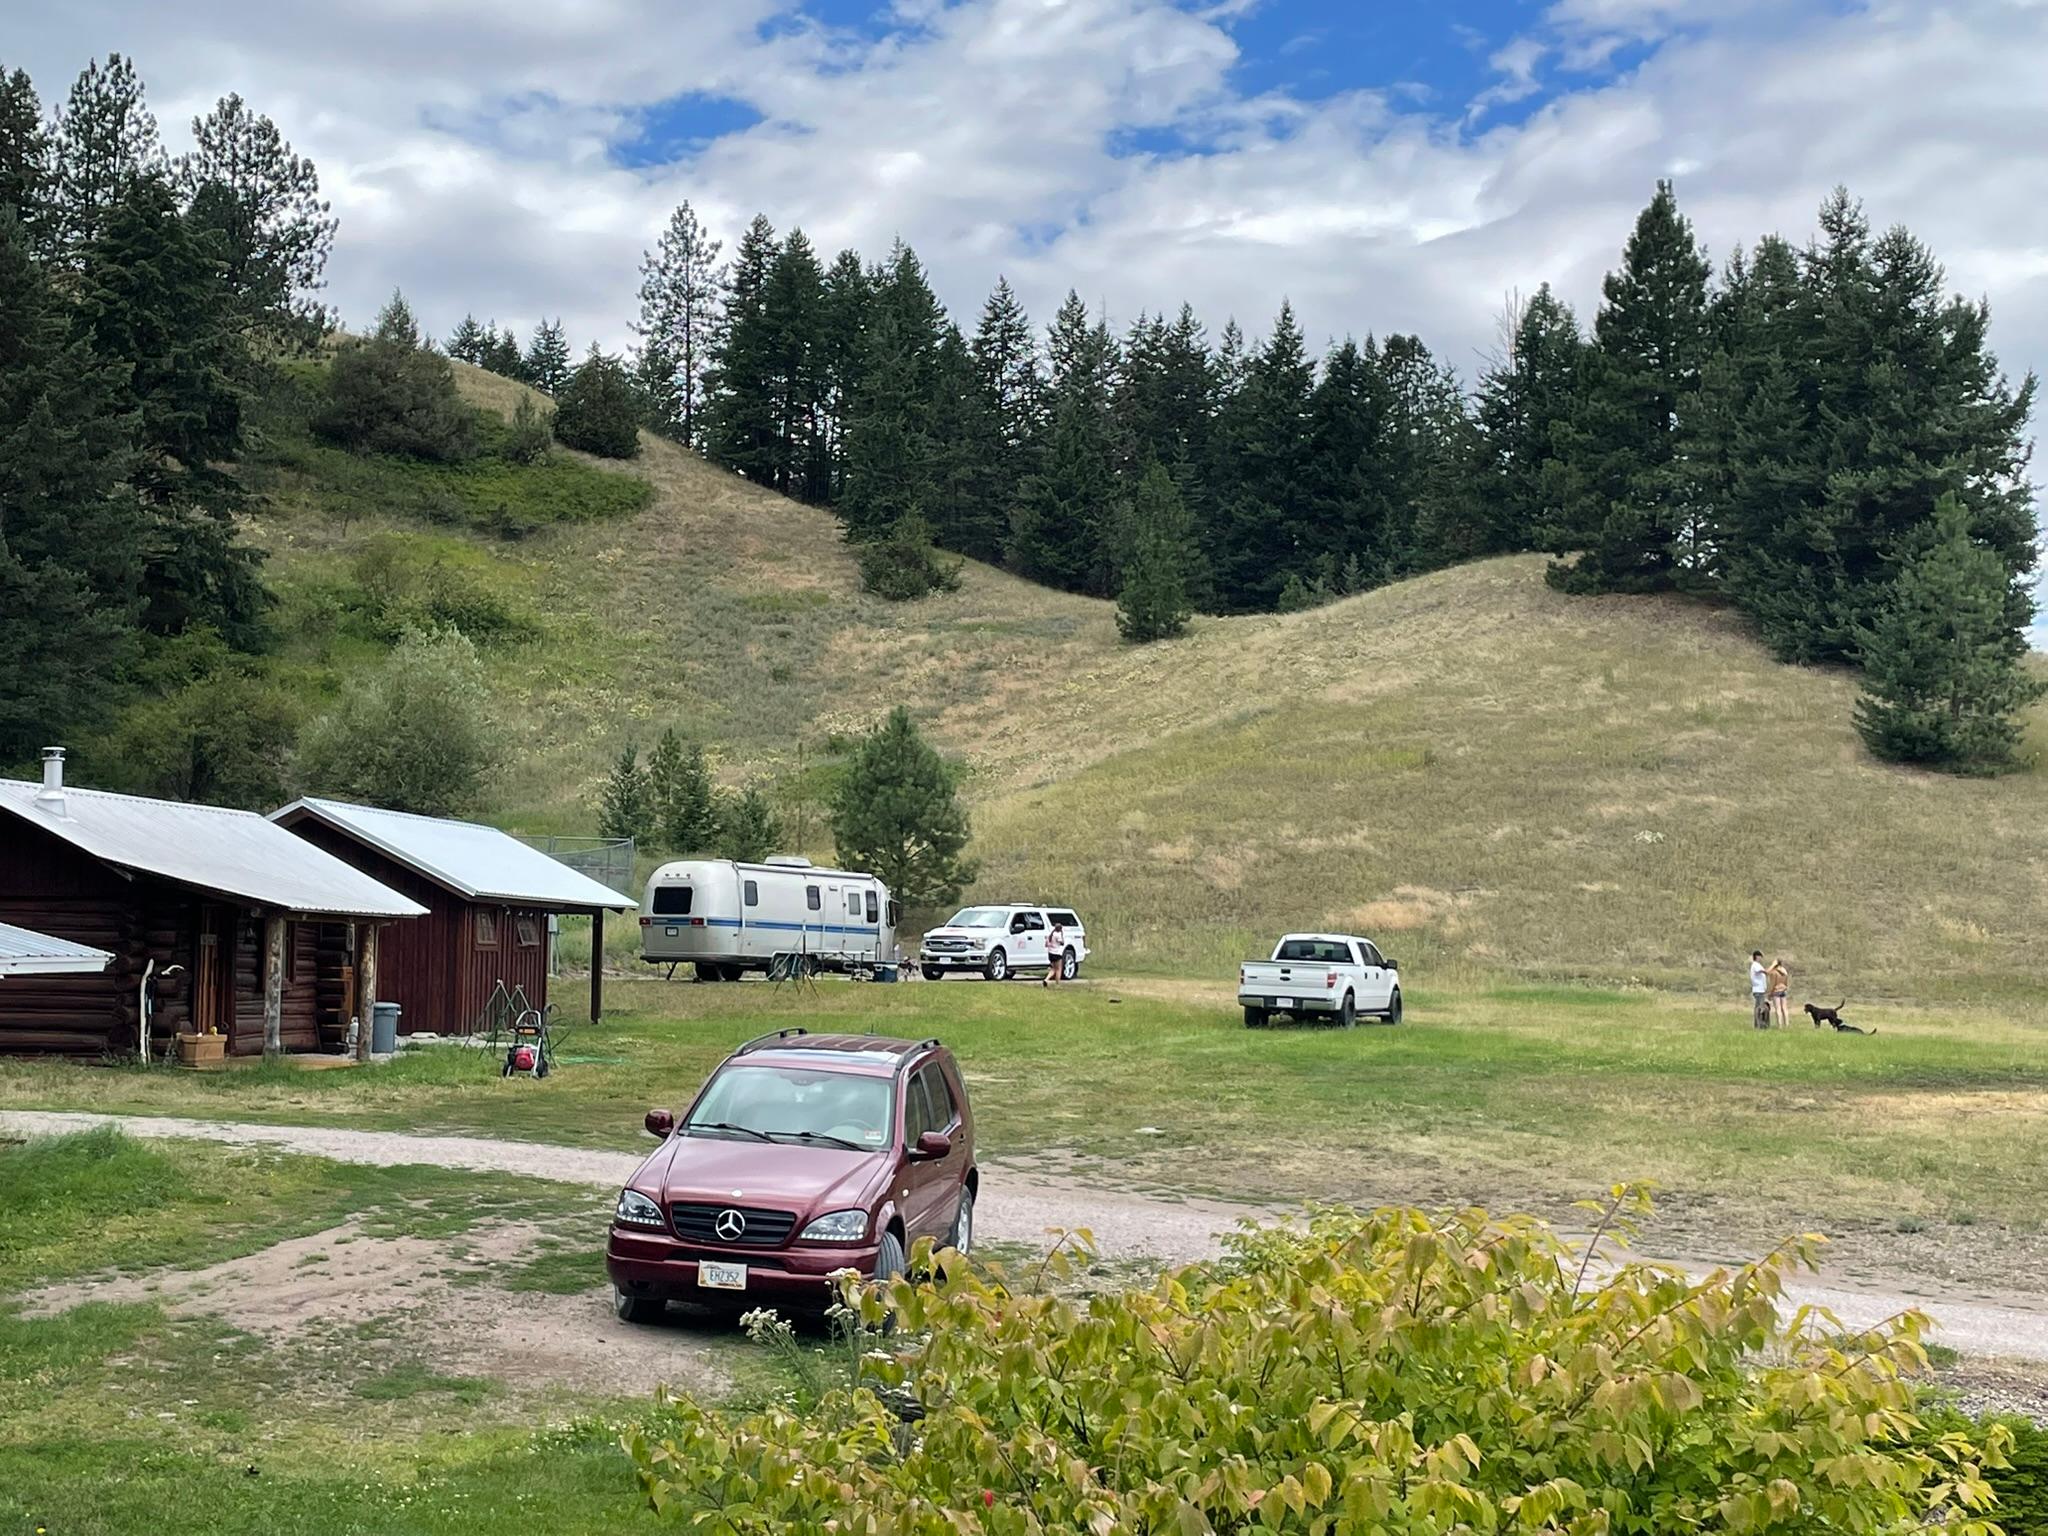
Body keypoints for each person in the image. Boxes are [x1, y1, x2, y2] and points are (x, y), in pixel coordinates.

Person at [1042, 916, 1066, 988]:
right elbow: (1062, 943)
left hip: (1050, 953)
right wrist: (1062, 935)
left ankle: (1046, 979)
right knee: (1059, 969)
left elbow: (1046, 944)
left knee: (1053, 968)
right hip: (1057, 953)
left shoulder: (1051, 935)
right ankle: (1057, 984)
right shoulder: (1058, 935)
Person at [1748, 951, 1770, 1029]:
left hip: (1760, 989)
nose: (1761, 958)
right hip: (1758, 990)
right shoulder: (1755, 965)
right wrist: (1767, 971)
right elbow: (1761, 971)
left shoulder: (1757, 965)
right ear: (1757, 956)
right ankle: (1759, 1024)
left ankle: (1759, 1024)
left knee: (1759, 1007)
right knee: (1759, 1008)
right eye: (1760, 956)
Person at [1766, 957, 1790, 1028]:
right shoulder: (1784, 971)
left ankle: (1779, 1025)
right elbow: (1786, 982)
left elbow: (1772, 983)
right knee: (1785, 1008)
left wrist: (1770, 993)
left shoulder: (1774, 972)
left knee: (1778, 1008)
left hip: (1776, 991)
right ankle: (1787, 1024)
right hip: (1783, 990)